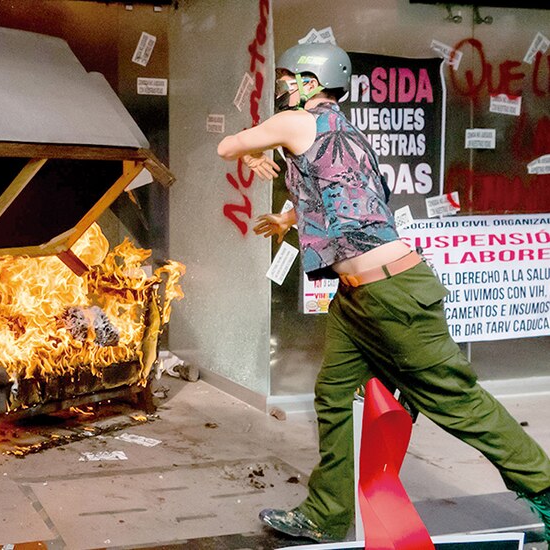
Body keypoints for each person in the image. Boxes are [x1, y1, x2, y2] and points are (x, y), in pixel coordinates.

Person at [217, 42, 550, 542]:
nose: (281, 85)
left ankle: (545, 488)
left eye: (288, 75)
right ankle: (327, 515)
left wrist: (255, 150)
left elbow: (228, 146)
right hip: (357, 300)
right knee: (332, 395)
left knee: (456, 402)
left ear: (312, 81)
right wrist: (287, 216)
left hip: (395, 294)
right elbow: (350, 203)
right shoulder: (349, 138)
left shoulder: (301, 122)